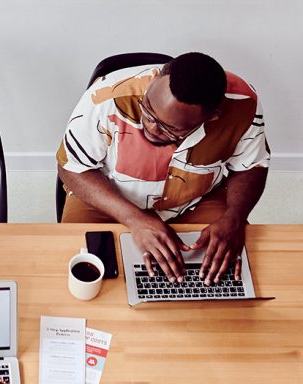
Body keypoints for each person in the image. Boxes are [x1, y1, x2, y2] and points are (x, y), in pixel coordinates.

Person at [57, 52, 270, 287]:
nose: (149, 126)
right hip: (107, 196)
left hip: (197, 200)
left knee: (221, 279)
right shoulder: (106, 96)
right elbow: (71, 168)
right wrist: (134, 219)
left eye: (168, 128)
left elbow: (252, 166)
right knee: (79, 277)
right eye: (147, 109)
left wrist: (235, 217)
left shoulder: (244, 105)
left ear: (213, 116)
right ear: (156, 78)